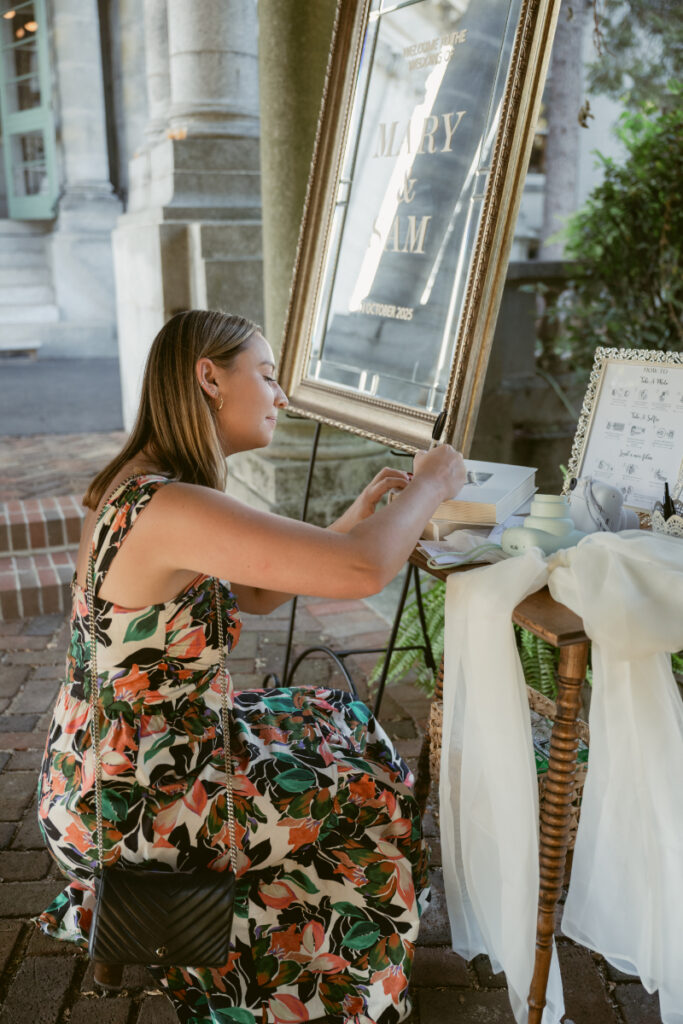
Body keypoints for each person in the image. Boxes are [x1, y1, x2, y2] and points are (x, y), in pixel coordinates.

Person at [35, 310, 466, 1024]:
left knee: (334, 716)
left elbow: (260, 593)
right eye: (266, 376)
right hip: (135, 798)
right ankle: (324, 987)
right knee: (367, 794)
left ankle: (307, 926)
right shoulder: (168, 503)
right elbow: (362, 569)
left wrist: (354, 514)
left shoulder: (151, 487)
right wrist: (431, 486)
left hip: (123, 761)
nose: (281, 396)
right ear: (209, 377)